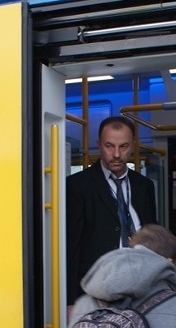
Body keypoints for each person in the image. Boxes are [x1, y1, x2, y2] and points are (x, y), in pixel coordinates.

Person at [66, 115, 157, 304]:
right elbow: (71, 248)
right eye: (109, 146)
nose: (116, 154)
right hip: (95, 291)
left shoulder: (144, 186)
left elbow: (151, 236)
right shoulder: (78, 186)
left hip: (140, 288)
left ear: (132, 146)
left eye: (123, 146)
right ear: (99, 145)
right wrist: (70, 301)